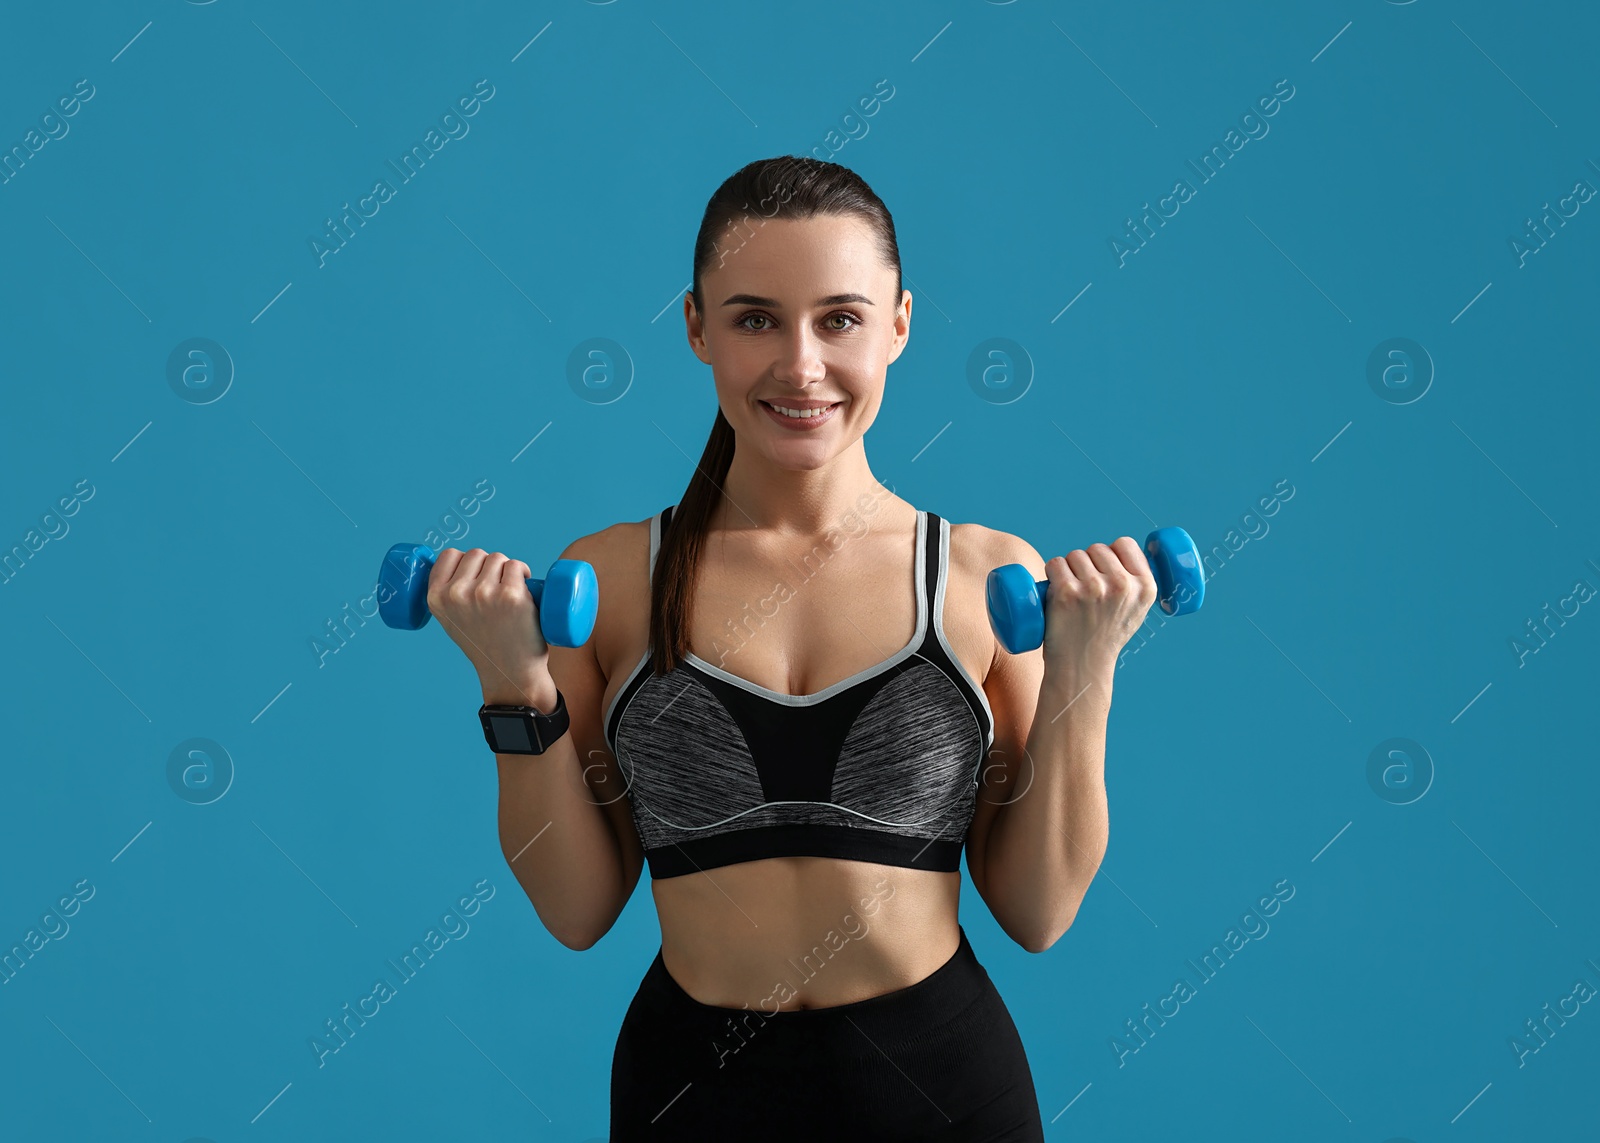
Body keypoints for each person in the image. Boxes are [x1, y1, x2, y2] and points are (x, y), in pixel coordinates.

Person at [425, 156, 1159, 1140]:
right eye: (755, 318)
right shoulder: (612, 584)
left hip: (942, 1090)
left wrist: (1087, 667)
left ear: (899, 322)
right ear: (696, 327)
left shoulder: (983, 579)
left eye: (840, 319)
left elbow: (1037, 912)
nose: (800, 366)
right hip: (692, 1093)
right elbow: (577, 909)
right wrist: (511, 682)